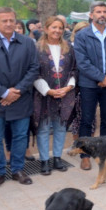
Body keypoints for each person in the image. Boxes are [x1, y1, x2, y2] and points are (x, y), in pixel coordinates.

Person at [0, 7, 40, 192]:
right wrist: (4, 93)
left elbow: (34, 69)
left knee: (20, 136)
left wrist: (16, 91)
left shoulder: (27, 43)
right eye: (4, 20)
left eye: (12, 20)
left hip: (21, 98)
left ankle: (18, 169)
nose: (9, 23)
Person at [73, 2, 106, 140]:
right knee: (87, 120)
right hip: (89, 85)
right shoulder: (82, 36)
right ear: (91, 15)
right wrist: (101, 78)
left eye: (104, 11)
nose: (102, 14)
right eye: (98, 11)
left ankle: (105, 153)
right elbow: (82, 62)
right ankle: (85, 156)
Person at [32, 15, 76, 175]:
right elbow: (34, 72)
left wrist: (68, 88)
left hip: (65, 94)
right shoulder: (36, 48)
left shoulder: (69, 47)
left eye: (60, 28)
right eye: (54, 27)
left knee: (61, 127)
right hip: (43, 95)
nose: (57, 30)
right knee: (43, 129)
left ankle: (57, 157)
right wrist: (48, 91)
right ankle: (44, 160)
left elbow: (74, 70)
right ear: (46, 29)